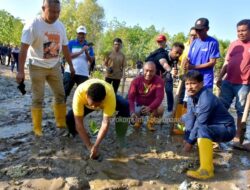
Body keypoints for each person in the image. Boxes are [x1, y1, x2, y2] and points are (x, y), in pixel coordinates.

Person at [16, 0, 75, 136]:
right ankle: (37, 129)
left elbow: (65, 47)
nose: (55, 15)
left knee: (60, 94)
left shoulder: (60, 26)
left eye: (58, 12)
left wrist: (71, 65)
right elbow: (23, 49)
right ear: (43, 8)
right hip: (37, 65)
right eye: (52, 11)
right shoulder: (33, 25)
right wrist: (20, 71)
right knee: (38, 97)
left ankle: (60, 122)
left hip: (54, 65)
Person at [181, 71, 235, 180]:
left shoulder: (206, 98)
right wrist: (186, 138)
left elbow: (199, 123)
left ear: (201, 84)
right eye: (187, 84)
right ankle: (204, 143)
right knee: (185, 117)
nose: (189, 87)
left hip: (226, 129)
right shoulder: (191, 96)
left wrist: (189, 144)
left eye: (193, 83)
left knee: (201, 129)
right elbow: (191, 119)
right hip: (211, 126)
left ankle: (206, 170)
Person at [66, 79, 130, 159]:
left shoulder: (109, 96)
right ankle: (74, 133)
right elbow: (78, 123)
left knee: (125, 105)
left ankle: (121, 136)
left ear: (103, 100)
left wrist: (96, 145)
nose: (94, 108)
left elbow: (105, 123)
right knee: (69, 117)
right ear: (86, 95)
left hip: (107, 95)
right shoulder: (79, 94)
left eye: (96, 105)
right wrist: (89, 145)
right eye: (92, 105)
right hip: (85, 103)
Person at [216, 19, 250, 144]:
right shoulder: (234, 44)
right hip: (228, 81)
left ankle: (238, 135)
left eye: (243, 30)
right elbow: (226, 62)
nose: (240, 33)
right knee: (221, 106)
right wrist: (220, 77)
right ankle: (220, 131)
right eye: (238, 31)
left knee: (240, 109)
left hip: (244, 84)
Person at [184, 18, 220, 91]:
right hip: (192, 78)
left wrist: (194, 67)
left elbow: (212, 62)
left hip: (205, 79)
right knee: (191, 101)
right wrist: (186, 63)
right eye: (197, 30)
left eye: (200, 30)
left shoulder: (213, 42)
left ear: (207, 29)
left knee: (205, 100)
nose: (198, 32)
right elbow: (189, 57)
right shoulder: (194, 42)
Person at [128, 61, 165, 131]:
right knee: (133, 110)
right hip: (139, 104)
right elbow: (130, 98)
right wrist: (132, 112)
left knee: (161, 108)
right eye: (146, 70)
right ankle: (138, 121)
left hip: (151, 105)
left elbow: (159, 98)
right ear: (143, 70)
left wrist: (150, 107)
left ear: (155, 71)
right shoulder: (136, 81)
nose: (148, 73)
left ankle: (150, 123)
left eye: (151, 71)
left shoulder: (159, 81)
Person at [63, 25, 94, 100]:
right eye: (80, 33)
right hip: (70, 71)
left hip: (83, 74)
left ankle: (79, 111)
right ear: (77, 34)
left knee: (83, 95)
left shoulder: (89, 46)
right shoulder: (71, 43)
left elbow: (91, 61)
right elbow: (67, 56)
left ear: (85, 35)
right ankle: (60, 110)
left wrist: (86, 53)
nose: (81, 35)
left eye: (83, 34)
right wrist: (81, 52)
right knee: (64, 93)